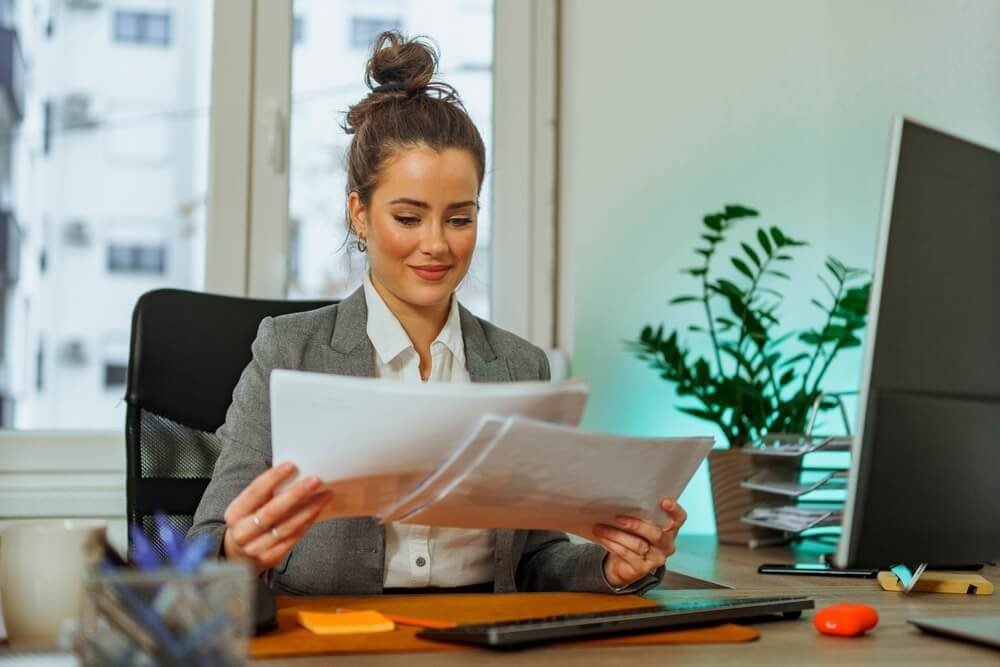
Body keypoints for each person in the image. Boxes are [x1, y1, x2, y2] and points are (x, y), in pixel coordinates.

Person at [190, 31, 686, 596]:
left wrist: (612, 568)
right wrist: (237, 550)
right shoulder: (288, 353)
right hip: (337, 643)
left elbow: (537, 560)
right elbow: (207, 539)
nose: (437, 245)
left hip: (485, 643)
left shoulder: (520, 367)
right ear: (359, 213)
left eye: (459, 218)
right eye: (408, 218)